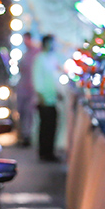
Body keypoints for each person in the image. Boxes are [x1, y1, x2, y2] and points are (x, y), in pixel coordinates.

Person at [32, 34, 62, 162]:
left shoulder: (52, 58)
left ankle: (49, 151)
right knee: (46, 126)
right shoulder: (40, 59)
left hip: (52, 98)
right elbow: (37, 78)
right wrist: (40, 95)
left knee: (52, 126)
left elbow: (55, 77)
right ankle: (44, 152)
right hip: (45, 99)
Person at [16, 32, 40, 147]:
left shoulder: (36, 53)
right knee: (22, 112)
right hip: (23, 88)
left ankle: (28, 136)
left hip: (32, 88)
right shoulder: (25, 54)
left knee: (29, 113)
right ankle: (23, 135)